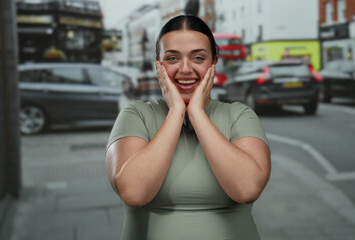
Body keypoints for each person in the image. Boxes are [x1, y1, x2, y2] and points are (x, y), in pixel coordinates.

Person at [105, 15, 271, 240]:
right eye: (172, 58)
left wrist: (197, 113)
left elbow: (247, 189)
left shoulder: (239, 116)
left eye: (198, 58)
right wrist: (175, 113)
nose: (185, 69)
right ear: (158, 65)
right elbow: (134, 193)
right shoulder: (135, 116)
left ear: (213, 62)